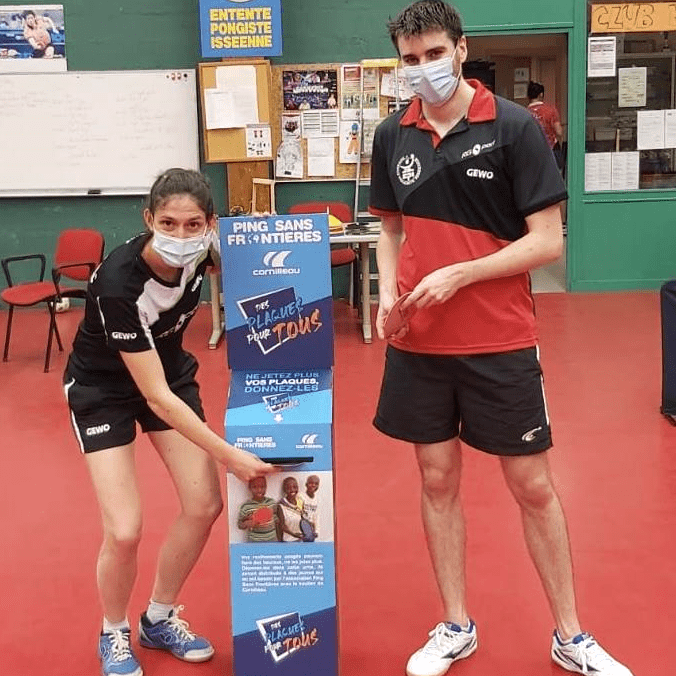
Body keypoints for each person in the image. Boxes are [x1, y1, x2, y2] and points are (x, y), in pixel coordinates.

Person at [368, 3, 633, 676]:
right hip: (420, 343)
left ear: (461, 49)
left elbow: (546, 242)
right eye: (410, 59)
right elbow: (389, 228)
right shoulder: (392, 135)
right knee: (436, 479)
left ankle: (571, 635)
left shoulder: (515, 128)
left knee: (533, 485)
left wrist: (461, 273)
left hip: (500, 339)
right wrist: (387, 291)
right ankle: (455, 624)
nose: (423, 68)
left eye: (434, 53)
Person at [63, 168, 276, 676]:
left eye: (193, 224)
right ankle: (113, 630)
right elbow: (155, 398)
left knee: (204, 506)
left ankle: (158, 618)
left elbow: (258, 257)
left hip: (169, 374)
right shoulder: (118, 283)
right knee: (125, 530)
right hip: (103, 391)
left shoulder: (203, 250)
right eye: (168, 224)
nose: (180, 235)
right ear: (149, 220)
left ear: (209, 224)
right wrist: (230, 455)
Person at [527, 80, 565, 171]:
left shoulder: (524, 112)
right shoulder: (550, 110)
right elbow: (559, 132)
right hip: (551, 150)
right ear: (541, 94)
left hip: (533, 152)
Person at [238, 476, 282, 542]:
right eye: (255, 487)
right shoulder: (246, 506)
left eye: (262, 487)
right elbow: (240, 524)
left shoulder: (271, 502)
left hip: (272, 539)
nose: (259, 490)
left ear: (266, 487)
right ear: (250, 488)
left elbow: (276, 518)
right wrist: (246, 524)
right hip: (254, 541)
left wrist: (278, 521)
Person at [278, 476, 304, 541]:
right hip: (288, 540)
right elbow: (282, 526)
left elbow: (303, 518)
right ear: (284, 490)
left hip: (300, 539)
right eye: (288, 488)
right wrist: (293, 535)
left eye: (295, 487)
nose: (292, 490)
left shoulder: (300, 502)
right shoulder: (281, 505)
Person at [299, 474, 320, 539]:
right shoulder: (300, 496)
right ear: (306, 484)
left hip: (311, 529)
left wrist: (316, 531)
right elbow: (298, 513)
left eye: (316, 484)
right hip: (302, 526)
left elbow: (316, 516)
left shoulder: (317, 499)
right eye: (311, 483)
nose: (313, 485)